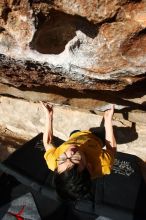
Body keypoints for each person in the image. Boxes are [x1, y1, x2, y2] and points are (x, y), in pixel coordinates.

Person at [40, 102, 117, 200]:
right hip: (96, 139)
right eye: (75, 159)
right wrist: (107, 121)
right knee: (103, 132)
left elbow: (48, 142)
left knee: (75, 132)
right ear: (89, 167)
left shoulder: (53, 161)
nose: (70, 152)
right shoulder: (103, 164)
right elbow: (112, 149)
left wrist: (49, 116)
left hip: (75, 136)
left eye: (63, 159)